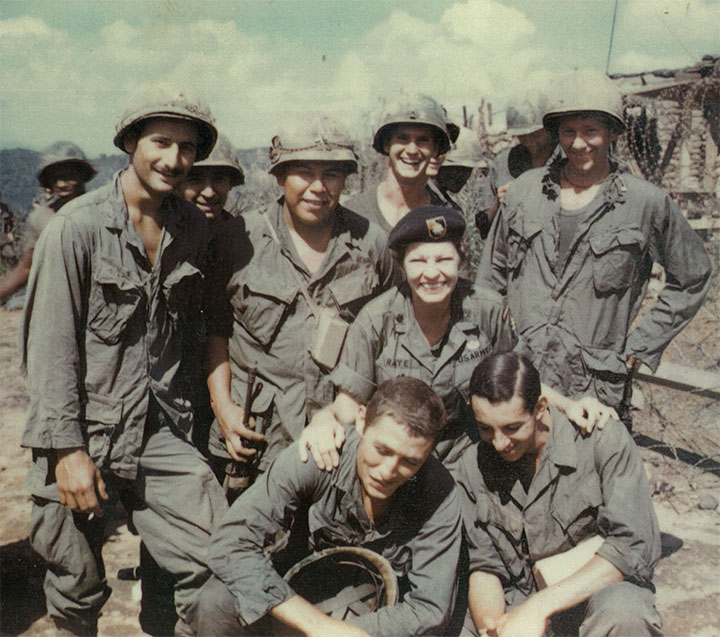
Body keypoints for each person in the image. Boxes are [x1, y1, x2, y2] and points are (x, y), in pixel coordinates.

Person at [20, 87, 228, 636]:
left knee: (221, 567)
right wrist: (66, 452)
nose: (174, 159)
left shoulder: (190, 228)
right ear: (131, 143)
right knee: (76, 589)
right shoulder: (77, 228)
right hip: (82, 431)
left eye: (187, 148)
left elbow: (195, 332)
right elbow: (50, 348)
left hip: (161, 430)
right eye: (161, 142)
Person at [300, 206, 611, 477]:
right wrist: (321, 420)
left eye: (444, 260)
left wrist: (570, 405)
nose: (432, 273)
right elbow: (348, 404)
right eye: (419, 261)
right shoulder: (376, 319)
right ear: (402, 264)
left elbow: (520, 383)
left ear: (461, 262)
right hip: (400, 463)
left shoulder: (486, 309)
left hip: (472, 462)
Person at [476, 69, 712, 426]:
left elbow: (693, 276)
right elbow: (490, 279)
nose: (579, 143)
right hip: (518, 377)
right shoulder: (524, 192)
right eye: (568, 131)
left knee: (590, 478)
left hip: (594, 388)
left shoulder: (644, 203)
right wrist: (489, 347)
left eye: (591, 131)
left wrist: (642, 346)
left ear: (613, 132)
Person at [205, 115, 394, 496]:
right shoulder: (237, 239)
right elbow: (214, 333)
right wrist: (223, 409)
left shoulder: (371, 243)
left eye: (332, 175)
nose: (318, 188)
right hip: (256, 441)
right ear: (279, 176)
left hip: (340, 438)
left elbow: (391, 335)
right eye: (304, 173)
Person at [192, 376, 463, 637]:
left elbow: (430, 610)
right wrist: (316, 626)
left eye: (410, 462)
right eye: (382, 450)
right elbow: (230, 543)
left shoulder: (438, 492)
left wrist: (346, 632)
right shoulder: (318, 456)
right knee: (217, 601)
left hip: (376, 617)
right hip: (296, 594)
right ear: (361, 421)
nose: (388, 471)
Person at [457, 352, 663, 636]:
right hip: (515, 602)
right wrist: (494, 628)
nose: (500, 443)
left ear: (540, 407)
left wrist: (538, 608)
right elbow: (484, 565)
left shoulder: (601, 440)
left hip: (588, 597)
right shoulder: (474, 465)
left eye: (512, 428)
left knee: (625, 614)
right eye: (485, 429)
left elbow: (633, 547)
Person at [0, 142, 96, 305]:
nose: (60, 184)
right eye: (55, 178)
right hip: (59, 302)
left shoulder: (102, 212)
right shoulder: (41, 218)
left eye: (67, 176)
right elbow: (25, 268)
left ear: (82, 174)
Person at [344, 93, 453, 236]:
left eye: (423, 140)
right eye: (402, 138)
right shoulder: (352, 213)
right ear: (387, 144)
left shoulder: (447, 219)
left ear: (435, 149)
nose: (412, 150)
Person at [475, 90, 562, 239]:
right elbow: (484, 228)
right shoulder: (504, 162)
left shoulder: (567, 158)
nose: (529, 141)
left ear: (549, 128)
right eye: (522, 136)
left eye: (535, 135)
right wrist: (499, 203)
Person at [181, 132, 244, 235]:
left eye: (219, 179)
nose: (209, 193)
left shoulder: (240, 239)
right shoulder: (161, 235)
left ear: (230, 184)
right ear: (177, 185)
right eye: (196, 179)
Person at [433, 126, 487, 204]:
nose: (464, 177)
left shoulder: (445, 204)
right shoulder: (422, 199)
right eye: (459, 169)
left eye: (469, 170)